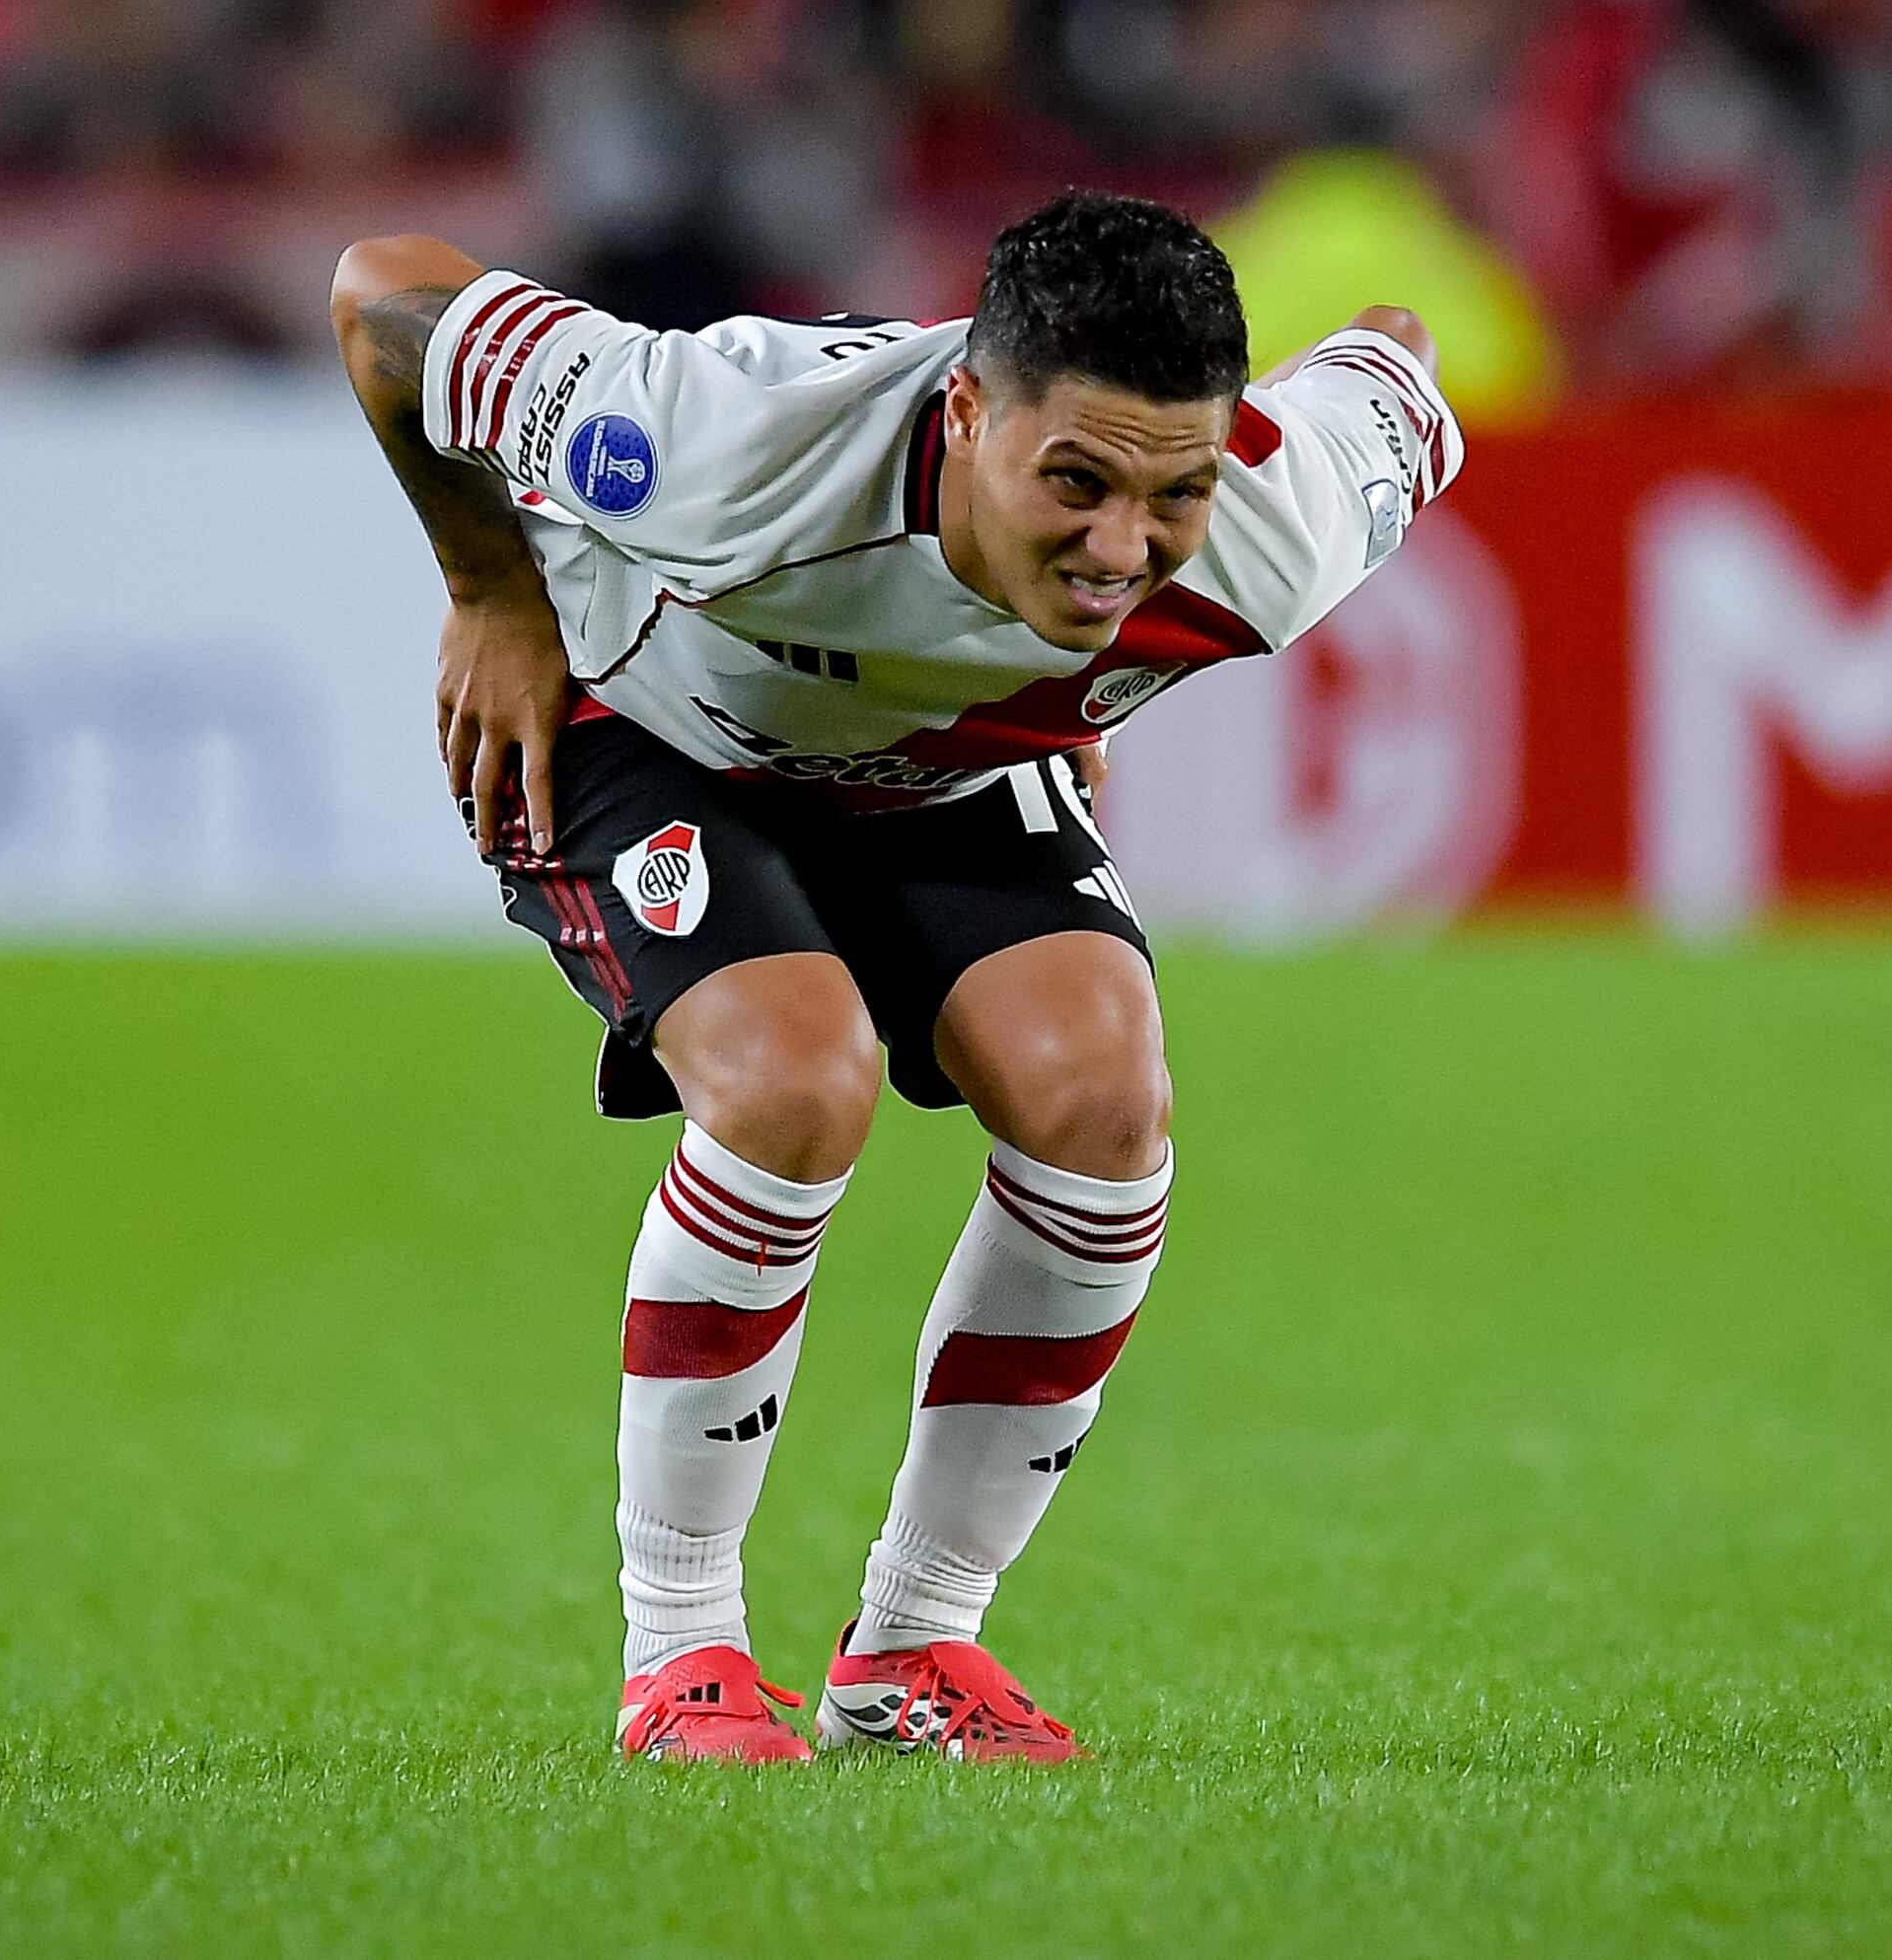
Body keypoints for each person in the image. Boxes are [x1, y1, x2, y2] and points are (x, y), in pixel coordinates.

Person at [331, 192, 1455, 1762]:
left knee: (1102, 1097)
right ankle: (682, 1654)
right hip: (640, 723)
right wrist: (489, 590)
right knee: (797, 1079)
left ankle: (914, 1648)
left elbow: (1398, 358)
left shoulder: (1287, 518)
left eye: (1173, 492)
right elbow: (384, 295)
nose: (1124, 549)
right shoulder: (717, 450)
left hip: (942, 767)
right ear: (970, 410)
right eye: (1076, 482)